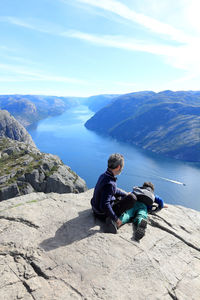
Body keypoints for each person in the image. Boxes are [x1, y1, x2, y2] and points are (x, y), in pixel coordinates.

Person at [91, 153, 137, 234]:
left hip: (95, 209)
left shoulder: (103, 175)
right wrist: (116, 219)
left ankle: (110, 217)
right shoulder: (110, 183)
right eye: (122, 167)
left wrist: (125, 194)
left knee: (124, 197)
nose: (122, 169)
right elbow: (105, 205)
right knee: (132, 199)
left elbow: (113, 191)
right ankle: (111, 221)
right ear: (118, 167)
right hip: (102, 214)